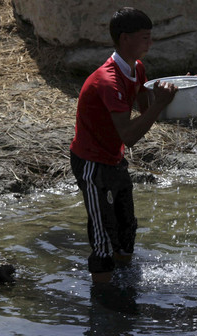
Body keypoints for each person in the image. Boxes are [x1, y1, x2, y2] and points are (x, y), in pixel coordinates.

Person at [69, 7, 178, 283]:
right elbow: (129, 135)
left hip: (113, 158)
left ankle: (125, 284)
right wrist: (161, 104)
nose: (150, 43)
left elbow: (145, 109)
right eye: (145, 38)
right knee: (104, 234)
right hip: (92, 162)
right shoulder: (108, 80)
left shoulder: (136, 68)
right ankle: (105, 305)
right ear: (125, 38)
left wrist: (178, 92)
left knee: (127, 228)